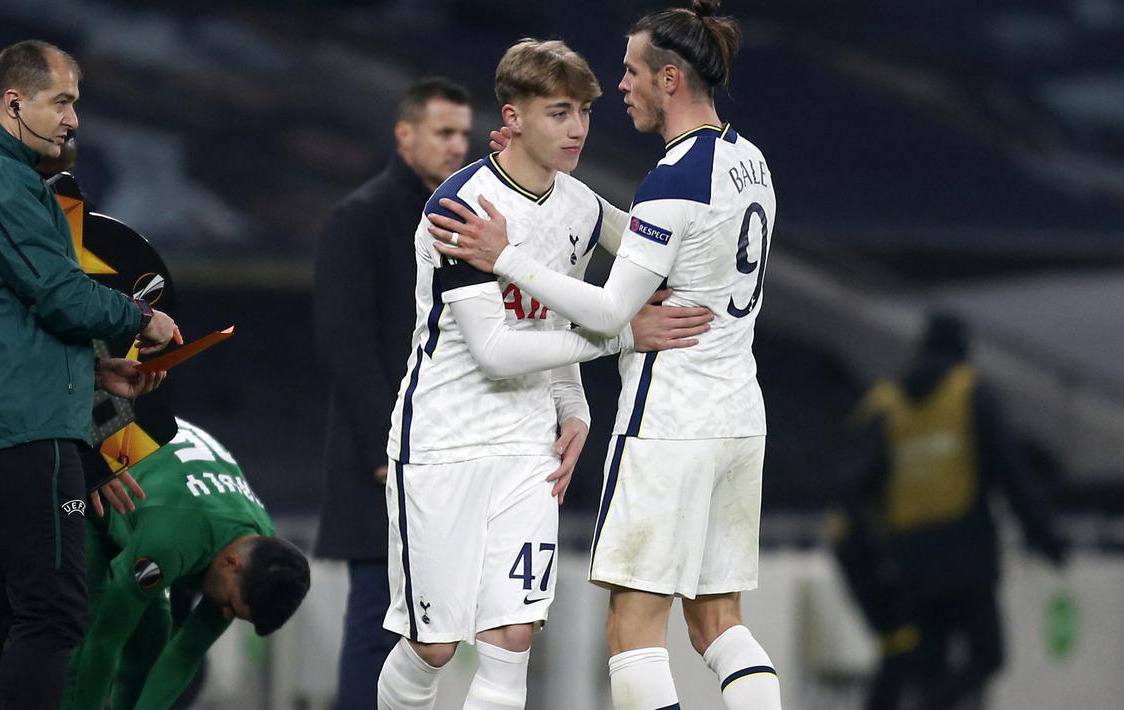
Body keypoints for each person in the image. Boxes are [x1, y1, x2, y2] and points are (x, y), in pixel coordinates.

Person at [430, 3, 783, 707]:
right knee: (718, 623)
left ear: (670, 79)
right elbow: (645, 240)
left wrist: (507, 258)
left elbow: (608, 310)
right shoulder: (749, 160)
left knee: (632, 631)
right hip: (739, 416)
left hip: (670, 421)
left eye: (630, 72)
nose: (620, 86)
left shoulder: (674, 179)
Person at [377, 38, 714, 710]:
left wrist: (574, 407)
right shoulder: (461, 210)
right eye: (559, 112)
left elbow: (655, 258)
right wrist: (620, 334)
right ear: (514, 116)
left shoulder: (580, 208)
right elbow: (496, 351)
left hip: (528, 449)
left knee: (510, 638)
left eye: (585, 112)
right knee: (434, 646)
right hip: (443, 443)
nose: (578, 129)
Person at [0, 40, 180, 710]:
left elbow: (1, 319)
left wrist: (96, 369)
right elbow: (60, 295)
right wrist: (138, 317)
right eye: (61, 101)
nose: (73, 120)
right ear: (14, 101)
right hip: (25, 434)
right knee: (56, 610)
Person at [313, 76, 473, 710]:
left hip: (450, 453)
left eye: (464, 132)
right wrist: (389, 452)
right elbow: (344, 345)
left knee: (435, 632)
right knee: (378, 622)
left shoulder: (468, 220)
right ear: (404, 134)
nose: (458, 145)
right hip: (385, 461)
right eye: (444, 132)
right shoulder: (360, 218)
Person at [831, 313, 1066, 710]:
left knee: (926, 662)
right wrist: (1043, 535)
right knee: (988, 656)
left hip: (908, 560)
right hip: (967, 555)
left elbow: (854, 484)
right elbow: (1011, 471)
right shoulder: (971, 391)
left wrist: (874, 552)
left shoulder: (886, 403)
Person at [62, 418, 310, 710]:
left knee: (153, 634)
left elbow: (185, 654)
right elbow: (103, 644)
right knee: (87, 624)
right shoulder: (170, 541)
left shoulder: (257, 550)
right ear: (232, 563)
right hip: (97, 473)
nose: (224, 613)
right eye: (230, 604)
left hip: (165, 488)